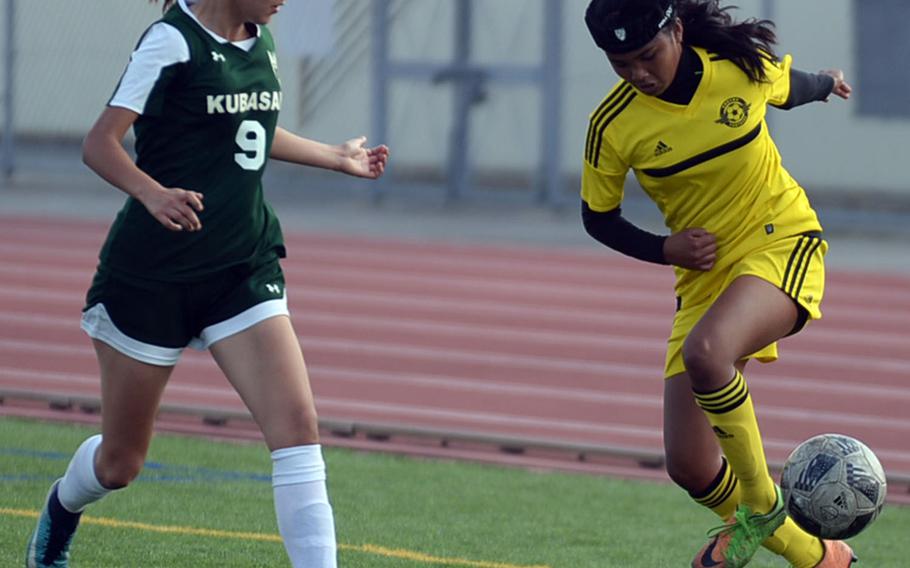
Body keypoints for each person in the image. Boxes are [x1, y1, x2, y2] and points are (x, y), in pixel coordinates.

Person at [25, 0, 389, 566]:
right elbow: (99, 143)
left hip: (242, 267)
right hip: (153, 277)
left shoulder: (260, 39)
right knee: (119, 464)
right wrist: (152, 192)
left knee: (297, 428)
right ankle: (61, 510)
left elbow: (245, 128)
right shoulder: (171, 42)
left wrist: (334, 157)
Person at [581, 1, 854, 567]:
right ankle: (817, 556)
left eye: (647, 55)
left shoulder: (738, 69)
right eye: (620, 63)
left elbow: (790, 86)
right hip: (703, 278)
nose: (638, 73)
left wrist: (827, 82)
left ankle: (760, 507)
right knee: (690, 464)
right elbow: (597, 217)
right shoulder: (612, 125)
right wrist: (664, 249)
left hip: (780, 241)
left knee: (707, 352)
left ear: (677, 30)